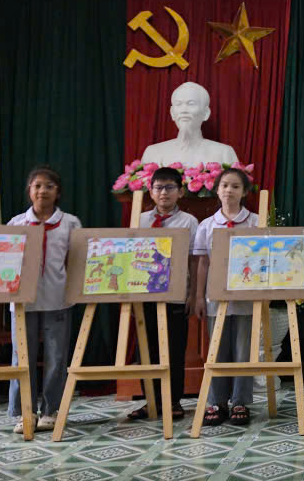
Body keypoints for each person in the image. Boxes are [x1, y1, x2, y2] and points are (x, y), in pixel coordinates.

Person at [8, 165, 82, 433]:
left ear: (58, 192)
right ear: (29, 190)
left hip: (58, 299)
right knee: (21, 357)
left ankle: (51, 410)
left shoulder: (70, 223)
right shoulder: (16, 224)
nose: (42, 191)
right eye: (37, 185)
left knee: (56, 356)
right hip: (22, 302)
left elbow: (77, 262)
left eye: (49, 186)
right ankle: (24, 412)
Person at [127, 167, 199, 422]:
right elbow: (130, 255)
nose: (164, 193)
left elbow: (193, 260)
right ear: (150, 191)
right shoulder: (140, 219)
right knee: (147, 350)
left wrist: (192, 294)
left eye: (170, 188)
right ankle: (151, 400)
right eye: (158, 188)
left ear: (180, 192)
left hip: (175, 295)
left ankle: (173, 400)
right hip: (144, 294)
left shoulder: (188, 221)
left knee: (174, 349)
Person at [193, 168, 258, 426]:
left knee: (244, 350)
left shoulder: (255, 222)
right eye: (224, 186)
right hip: (215, 298)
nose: (229, 190)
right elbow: (203, 264)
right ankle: (216, 401)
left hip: (246, 297)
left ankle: (240, 401)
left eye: (235, 186)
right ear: (217, 190)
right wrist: (199, 296)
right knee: (217, 350)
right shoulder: (207, 225)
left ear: (244, 192)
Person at [140, 82, 239, 167]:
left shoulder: (224, 153)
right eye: (179, 104)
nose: (184, 110)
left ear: (206, 113)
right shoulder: (152, 153)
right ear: (172, 113)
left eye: (191, 104)